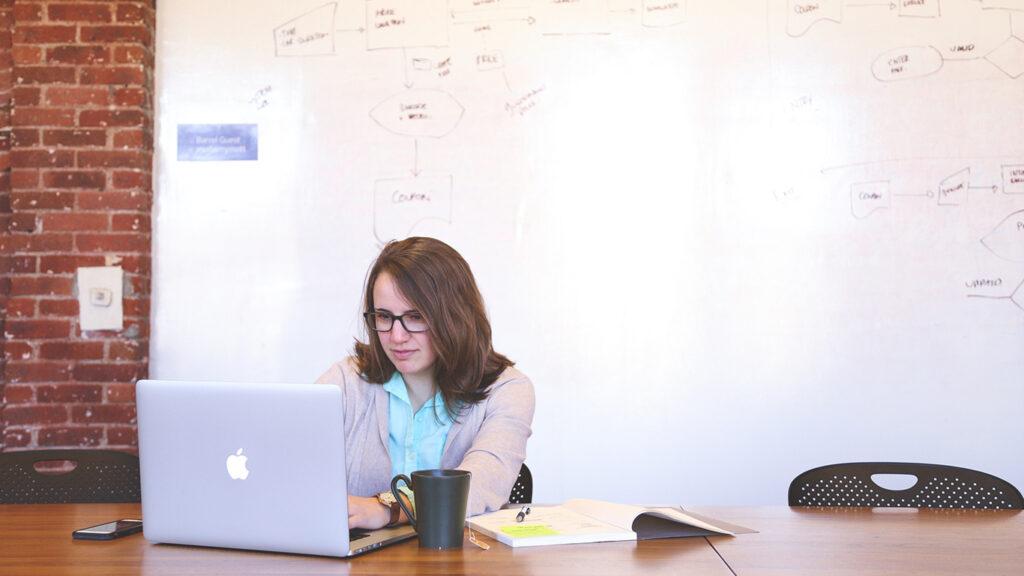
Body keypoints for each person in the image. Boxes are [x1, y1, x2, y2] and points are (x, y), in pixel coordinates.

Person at [316, 237, 535, 529]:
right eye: (384, 316)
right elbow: (290, 460)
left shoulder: (508, 391)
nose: (396, 336)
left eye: (415, 316)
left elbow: (483, 480)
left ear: (454, 316)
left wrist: (388, 509)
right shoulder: (346, 381)